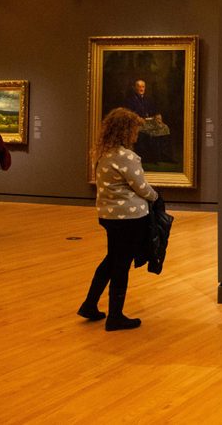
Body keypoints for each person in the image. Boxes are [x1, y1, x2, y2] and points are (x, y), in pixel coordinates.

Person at [78, 107, 158, 331]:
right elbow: (141, 187)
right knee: (121, 265)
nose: (136, 134)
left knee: (112, 260)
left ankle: (90, 304)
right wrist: (156, 197)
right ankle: (115, 316)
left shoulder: (103, 153)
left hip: (108, 215)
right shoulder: (127, 157)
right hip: (130, 218)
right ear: (126, 130)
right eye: (134, 130)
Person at [124, 79, 173, 164]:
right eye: (139, 86)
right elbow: (129, 113)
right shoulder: (130, 100)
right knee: (148, 132)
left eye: (143, 86)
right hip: (137, 123)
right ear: (135, 88)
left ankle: (164, 155)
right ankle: (152, 157)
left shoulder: (148, 99)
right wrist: (138, 118)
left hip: (150, 122)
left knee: (165, 128)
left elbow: (154, 111)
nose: (141, 88)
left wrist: (158, 116)